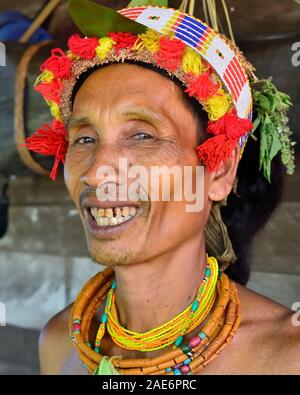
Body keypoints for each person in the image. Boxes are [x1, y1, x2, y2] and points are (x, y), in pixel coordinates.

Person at [25, 1, 299, 375]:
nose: (98, 171)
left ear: (218, 172)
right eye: (84, 139)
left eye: (141, 135)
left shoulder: (286, 357)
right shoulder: (59, 343)